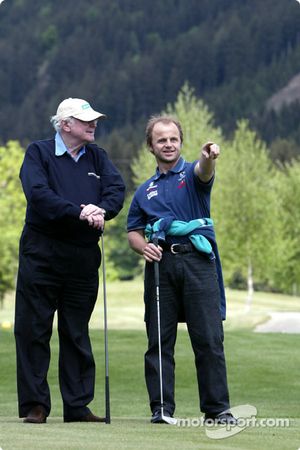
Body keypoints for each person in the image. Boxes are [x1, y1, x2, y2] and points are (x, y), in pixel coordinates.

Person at [15, 98, 125, 424]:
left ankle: (76, 405)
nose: (93, 125)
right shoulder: (39, 153)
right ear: (65, 124)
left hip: (82, 257)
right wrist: (79, 211)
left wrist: (102, 209)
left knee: (76, 332)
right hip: (43, 253)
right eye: (85, 120)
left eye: (94, 120)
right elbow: (38, 195)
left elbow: (116, 189)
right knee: (33, 329)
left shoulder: (97, 156)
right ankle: (36, 404)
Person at [127, 115, 235, 424]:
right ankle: (161, 409)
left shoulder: (192, 173)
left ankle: (217, 410)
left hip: (198, 263)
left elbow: (205, 172)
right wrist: (141, 246)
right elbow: (133, 230)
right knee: (159, 341)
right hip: (162, 266)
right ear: (151, 146)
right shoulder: (144, 190)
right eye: (161, 140)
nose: (169, 144)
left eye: (173, 138)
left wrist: (209, 157)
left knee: (209, 339)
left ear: (181, 142)